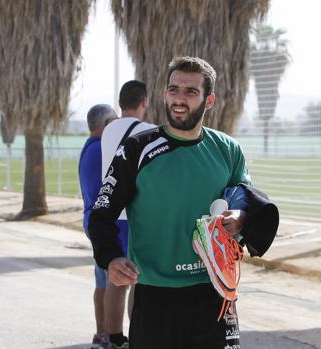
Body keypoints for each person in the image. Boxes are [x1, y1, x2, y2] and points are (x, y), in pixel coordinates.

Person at [88, 57, 278, 349]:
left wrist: (240, 218)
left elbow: (246, 197)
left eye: (191, 92)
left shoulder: (227, 149)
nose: (179, 98)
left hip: (214, 294)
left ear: (209, 100)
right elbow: (102, 214)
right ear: (164, 94)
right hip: (155, 297)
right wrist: (111, 257)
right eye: (173, 89)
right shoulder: (137, 149)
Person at [100, 81, 155, 335]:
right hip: (136, 215)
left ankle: (114, 337)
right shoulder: (150, 131)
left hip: (112, 213)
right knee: (137, 279)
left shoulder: (108, 130)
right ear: (144, 102)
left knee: (116, 278)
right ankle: (137, 336)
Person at [78, 104, 128, 349]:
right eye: (115, 119)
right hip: (105, 225)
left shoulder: (89, 148)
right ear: (107, 124)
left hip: (93, 221)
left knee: (102, 282)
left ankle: (101, 334)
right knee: (115, 282)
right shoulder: (102, 150)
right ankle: (112, 337)